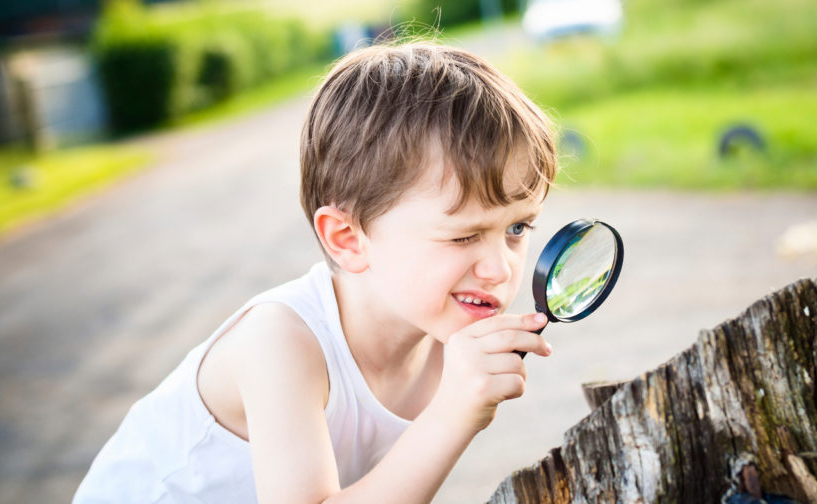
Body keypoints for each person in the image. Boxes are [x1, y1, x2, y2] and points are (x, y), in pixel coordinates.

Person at [74, 41, 559, 503]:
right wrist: (454, 412)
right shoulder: (279, 342)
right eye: (462, 236)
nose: (499, 268)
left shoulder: (441, 341)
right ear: (348, 239)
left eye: (517, 227)